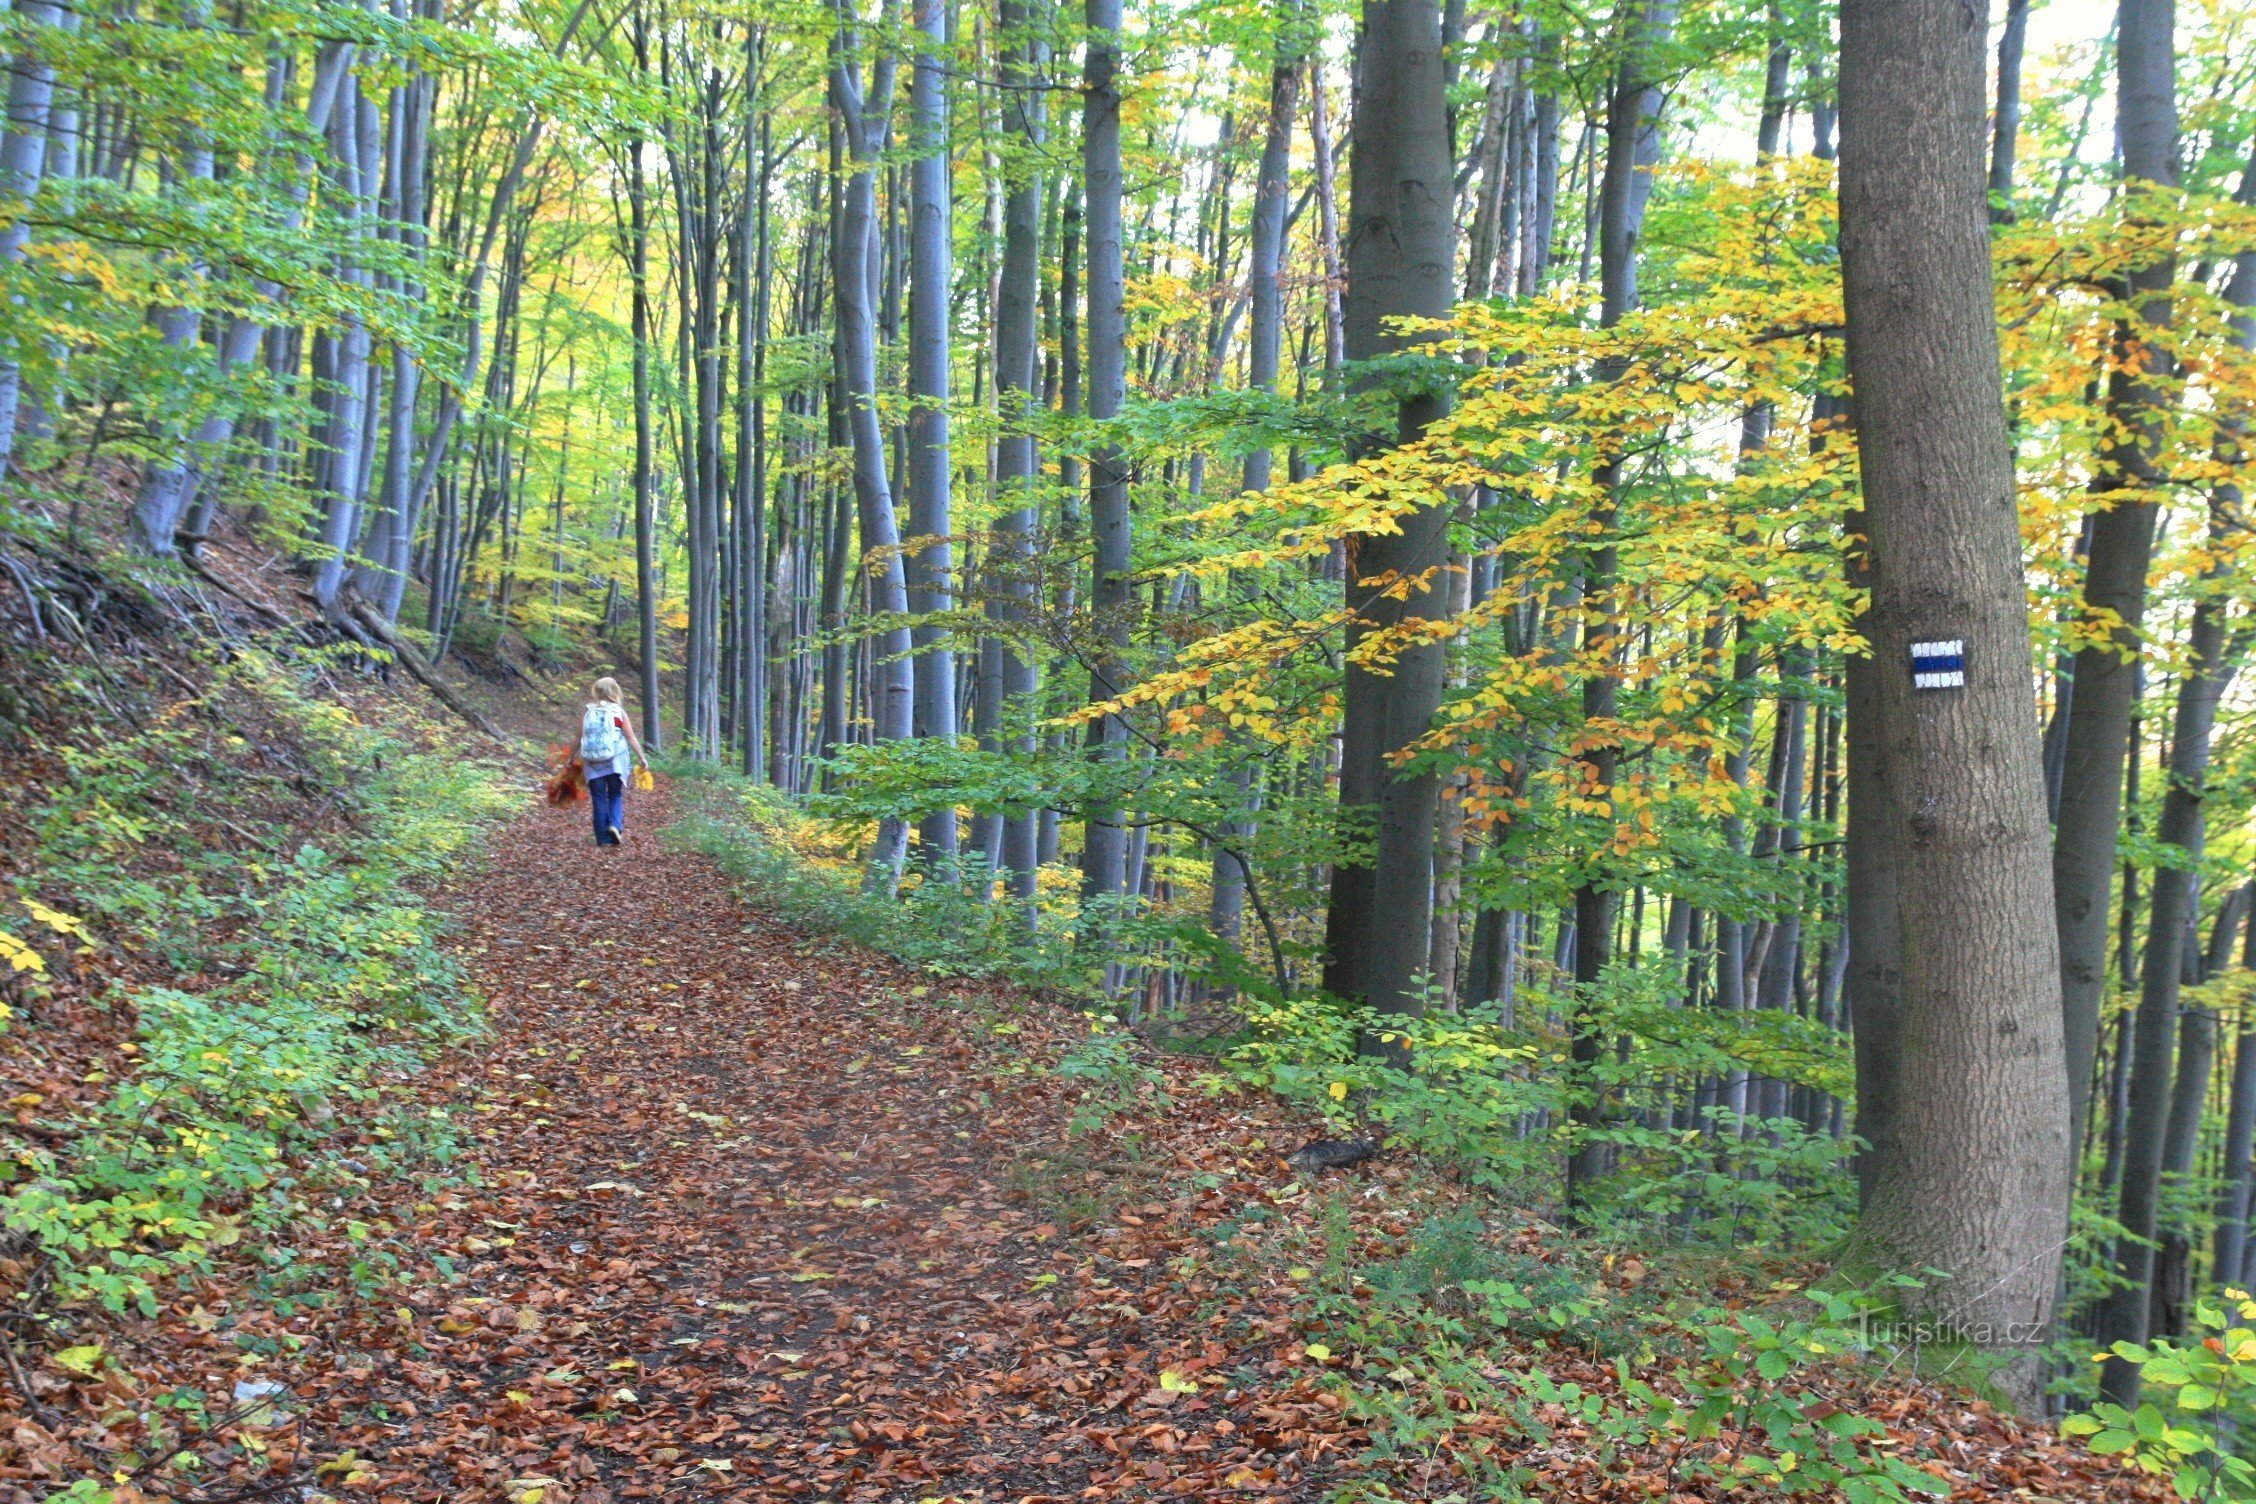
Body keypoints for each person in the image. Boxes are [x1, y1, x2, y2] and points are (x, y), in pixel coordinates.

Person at [577, 678, 647, 846]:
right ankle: (615, 826)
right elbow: (630, 737)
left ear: (597, 691)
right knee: (615, 794)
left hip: (593, 762)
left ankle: (602, 838)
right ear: (615, 691)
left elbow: (578, 737)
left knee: (599, 798)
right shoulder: (618, 712)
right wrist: (642, 757)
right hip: (615, 761)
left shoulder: (588, 712)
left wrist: (570, 758)